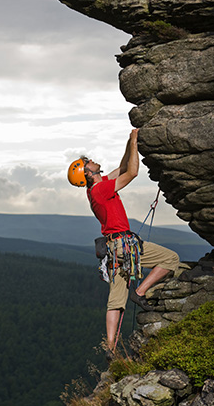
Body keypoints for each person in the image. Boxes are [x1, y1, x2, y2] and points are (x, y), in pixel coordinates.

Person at [67, 129, 179, 357]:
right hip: (125, 246)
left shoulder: (97, 187)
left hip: (113, 251)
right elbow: (133, 172)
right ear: (88, 174)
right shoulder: (100, 190)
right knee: (171, 259)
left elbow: (122, 167)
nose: (92, 161)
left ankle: (110, 348)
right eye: (88, 163)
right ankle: (140, 291)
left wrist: (130, 143)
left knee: (115, 299)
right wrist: (135, 142)